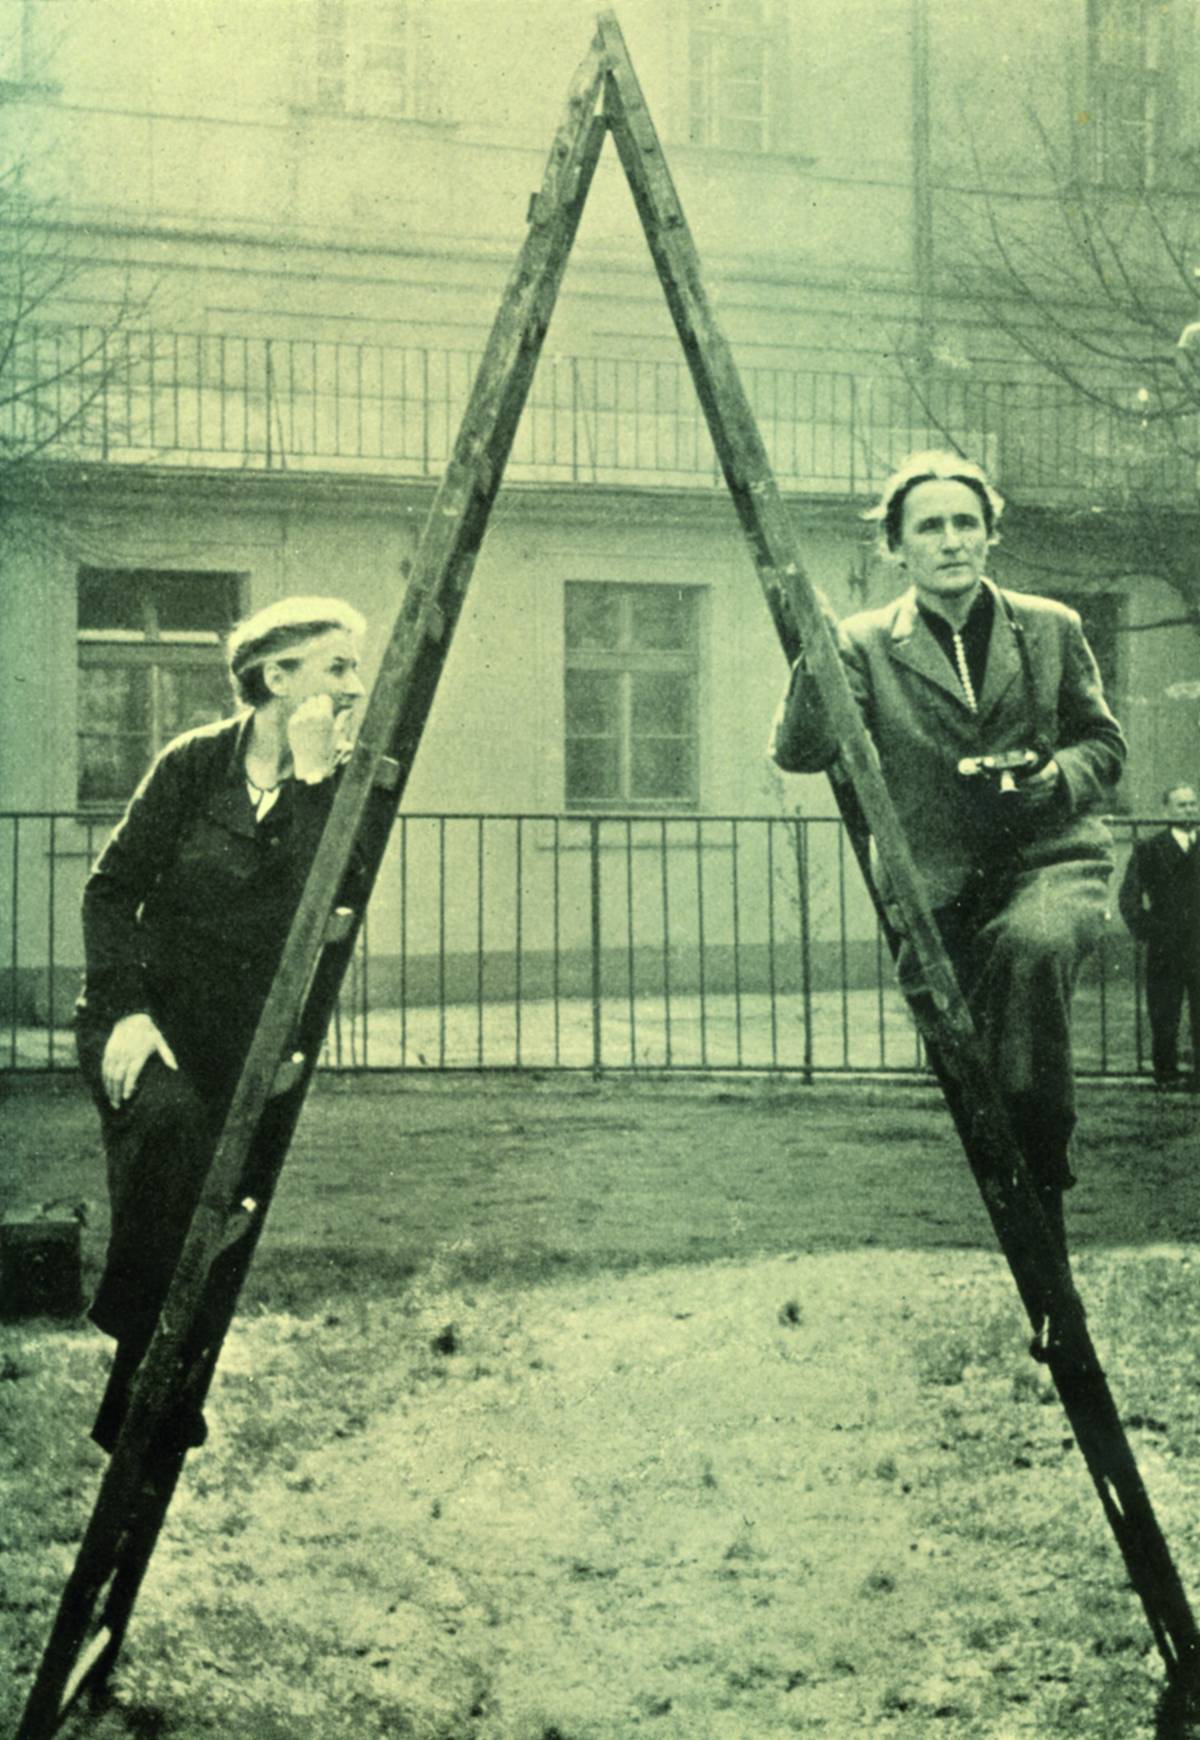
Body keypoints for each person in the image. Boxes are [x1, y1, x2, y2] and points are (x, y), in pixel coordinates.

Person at [770, 451, 1126, 1256]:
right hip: (940, 892)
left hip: (1052, 859)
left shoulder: (1051, 627)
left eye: (968, 523)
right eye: (929, 527)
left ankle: (1045, 1183)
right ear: (896, 547)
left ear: (991, 535)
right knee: (980, 1072)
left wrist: (1055, 778)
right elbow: (802, 752)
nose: (952, 540)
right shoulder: (864, 644)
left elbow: (1103, 744)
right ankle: (1034, 1209)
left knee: (1034, 945)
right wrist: (813, 654)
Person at [74, 594, 371, 1452]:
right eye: (337, 667)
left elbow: (322, 905)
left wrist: (312, 785)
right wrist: (128, 1012)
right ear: (278, 678)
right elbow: (109, 892)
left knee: (215, 1197)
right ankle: (145, 1374)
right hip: (139, 1023)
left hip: (237, 1037)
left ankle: (144, 1388)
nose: (356, 688)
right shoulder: (193, 763)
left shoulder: (342, 784)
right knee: (170, 1131)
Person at [1118, 783, 1200, 1091]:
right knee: (1164, 1013)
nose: (1189, 810)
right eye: (1181, 805)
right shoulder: (1149, 849)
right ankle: (1166, 1075)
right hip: (1166, 946)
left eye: (1192, 804)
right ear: (1166, 811)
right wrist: (1151, 931)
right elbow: (1129, 898)